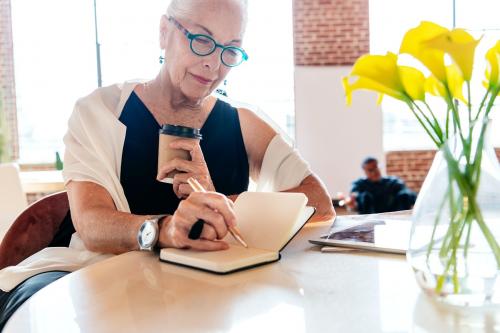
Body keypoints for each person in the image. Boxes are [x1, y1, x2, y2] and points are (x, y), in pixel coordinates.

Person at [0, 0, 334, 327]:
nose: (214, 64)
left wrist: (219, 202)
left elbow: (319, 204)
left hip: (210, 288)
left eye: (230, 50)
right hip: (93, 275)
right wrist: (164, 229)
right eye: (202, 40)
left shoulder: (243, 123)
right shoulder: (100, 111)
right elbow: (90, 222)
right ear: (164, 32)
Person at [345, 157, 416, 214]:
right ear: (365, 171)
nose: (374, 172)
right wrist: (352, 203)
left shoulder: (393, 182)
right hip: (370, 222)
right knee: (365, 196)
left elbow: (408, 194)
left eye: (376, 168)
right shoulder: (359, 184)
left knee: (404, 194)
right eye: (370, 170)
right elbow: (353, 197)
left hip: (394, 218)